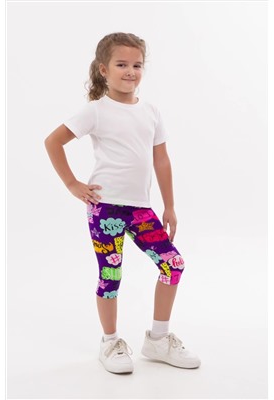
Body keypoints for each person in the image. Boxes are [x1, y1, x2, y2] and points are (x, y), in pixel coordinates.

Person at [44, 32, 200, 374]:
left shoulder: (151, 111)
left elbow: (161, 160)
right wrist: (72, 184)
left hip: (141, 209)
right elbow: (53, 141)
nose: (130, 71)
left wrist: (169, 206)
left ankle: (158, 339)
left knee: (173, 265)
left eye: (137, 65)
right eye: (122, 64)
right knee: (110, 275)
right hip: (106, 208)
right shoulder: (95, 111)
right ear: (104, 69)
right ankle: (110, 341)